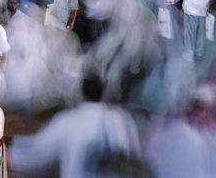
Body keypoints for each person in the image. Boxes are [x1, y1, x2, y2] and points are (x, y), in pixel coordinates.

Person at [9, 76, 140, 178]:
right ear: (104, 92)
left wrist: (10, 151)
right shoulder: (122, 120)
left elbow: (37, 154)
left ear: (82, 92)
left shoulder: (68, 121)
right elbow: (136, 161)